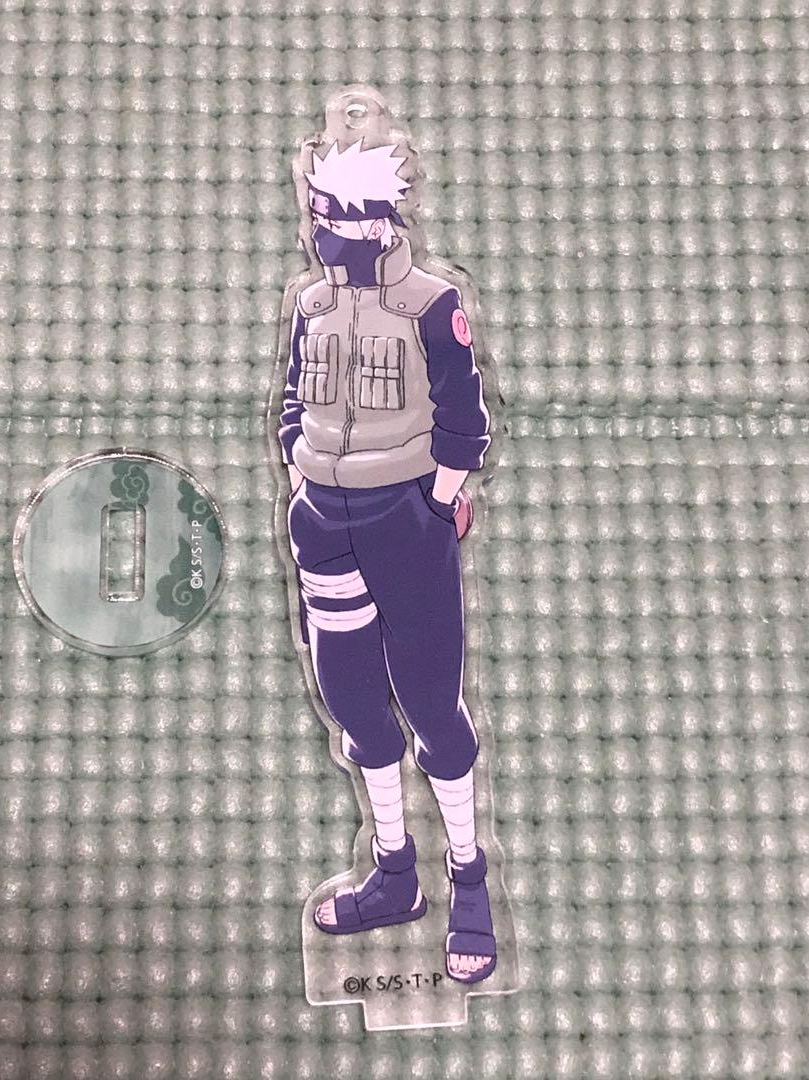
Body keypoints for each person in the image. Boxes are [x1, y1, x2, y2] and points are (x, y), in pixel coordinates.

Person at [279, 137, 497, 983]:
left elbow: (463, 413)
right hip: (322, 518)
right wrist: (299, 464)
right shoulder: (310, 306)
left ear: (376, 222)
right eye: (316, 213)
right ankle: (395, 872)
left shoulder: (431, 304)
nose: (321, 230)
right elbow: (294, 396)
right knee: (355, 702)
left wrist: (437, 500)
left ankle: (468, 879)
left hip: (404, 516)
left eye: (335, 216)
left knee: (432, 702)